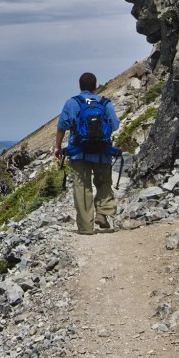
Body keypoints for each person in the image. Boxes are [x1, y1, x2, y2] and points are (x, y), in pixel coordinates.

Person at [53, 72, 121, 235]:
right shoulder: (105, 103)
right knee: (104, 183)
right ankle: (102, 213)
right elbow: (116, 125)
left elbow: (62, 126)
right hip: (102, 152)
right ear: (95, 86)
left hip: (79, 152)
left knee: (82, 187)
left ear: (80, 86)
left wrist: (57, 147)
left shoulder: (72, 103)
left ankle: (85, 227)